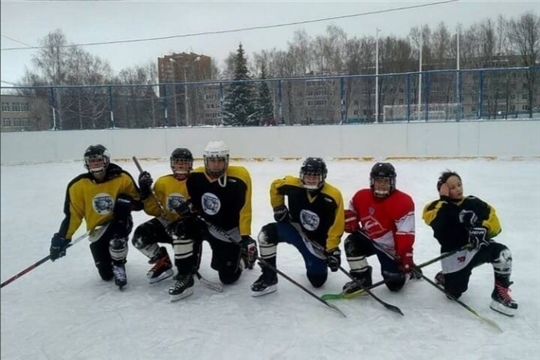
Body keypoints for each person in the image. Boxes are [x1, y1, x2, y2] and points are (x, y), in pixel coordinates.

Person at [422, 170, 518, 316]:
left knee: (502, 253)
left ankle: (499, 296)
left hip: (475, 249)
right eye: (452, 187)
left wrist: (484, 229)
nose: (458, 189)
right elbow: (437, 222)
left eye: (459, 184)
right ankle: (445, 277)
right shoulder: (435, 207)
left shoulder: (474, 202)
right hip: (454, 254)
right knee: (453, 293)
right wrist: (443, 199)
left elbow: (495, 223)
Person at [171, 140, 257, 301]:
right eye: (212, 160)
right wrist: (186, 207)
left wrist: (245, 236)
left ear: (227, 160)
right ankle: (185, 274)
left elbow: (245, 208)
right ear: (206, 160)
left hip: (226, 230)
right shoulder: (195, 176)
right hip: (203, 223)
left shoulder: (240, 177)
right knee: (181, 229)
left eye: (220, 160)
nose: (216, 164)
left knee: (228, 278)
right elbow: (192, 200)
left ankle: (243, 259)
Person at [49, 144, 142, 290]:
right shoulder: (77, 185)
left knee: (117, 237)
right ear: (86, 163)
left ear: (106, 160)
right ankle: (114, 258)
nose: (95, 164)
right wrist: (62, 239)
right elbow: (73, 215)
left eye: (98, 160)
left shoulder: (122, 178)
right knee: (106, 275)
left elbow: (139, 203)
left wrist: (141, 192)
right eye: (92, 161)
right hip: (97, 230)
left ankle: (119, 263)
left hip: (119, 222)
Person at [251, 157, 344, 297]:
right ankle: (269, 276)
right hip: (294, 230)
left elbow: (337, 225)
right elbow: (275, 186)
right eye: (308, 176)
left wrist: (332, 249)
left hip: (315, 243)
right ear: (302, 175)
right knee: (266, 234)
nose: (311, 180)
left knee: (317, 281)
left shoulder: (332, 196)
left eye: (315, 176)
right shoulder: (292, 185)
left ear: (323, 176)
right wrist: (279, 207)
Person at [341, 162, 418, 295]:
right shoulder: (361, 196)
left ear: (392, 182)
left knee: (394, 285)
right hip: (369, 239)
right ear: (372, 181)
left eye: (385, 181)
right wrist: (351, 218)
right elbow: (353, 209)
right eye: (378, 180)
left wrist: (405, 254)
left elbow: (405, 233)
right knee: (351, 243)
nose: (381, 184)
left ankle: (410, 273)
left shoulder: (403, 201)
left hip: (390, 249)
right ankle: (362, 279)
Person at [132, 148, 201, 286]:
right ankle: (162, 260)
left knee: (190, 269)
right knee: (140, 236)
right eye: (177, 162)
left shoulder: (197, 182)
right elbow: (154, 210)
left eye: (184, 162)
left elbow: (201, 211)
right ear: (172, 164)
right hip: (167, 223)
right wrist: (145, 193)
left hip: (189, 228)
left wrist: (187, 219)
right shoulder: (163, 182)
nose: (181, 165)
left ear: (190, 164)